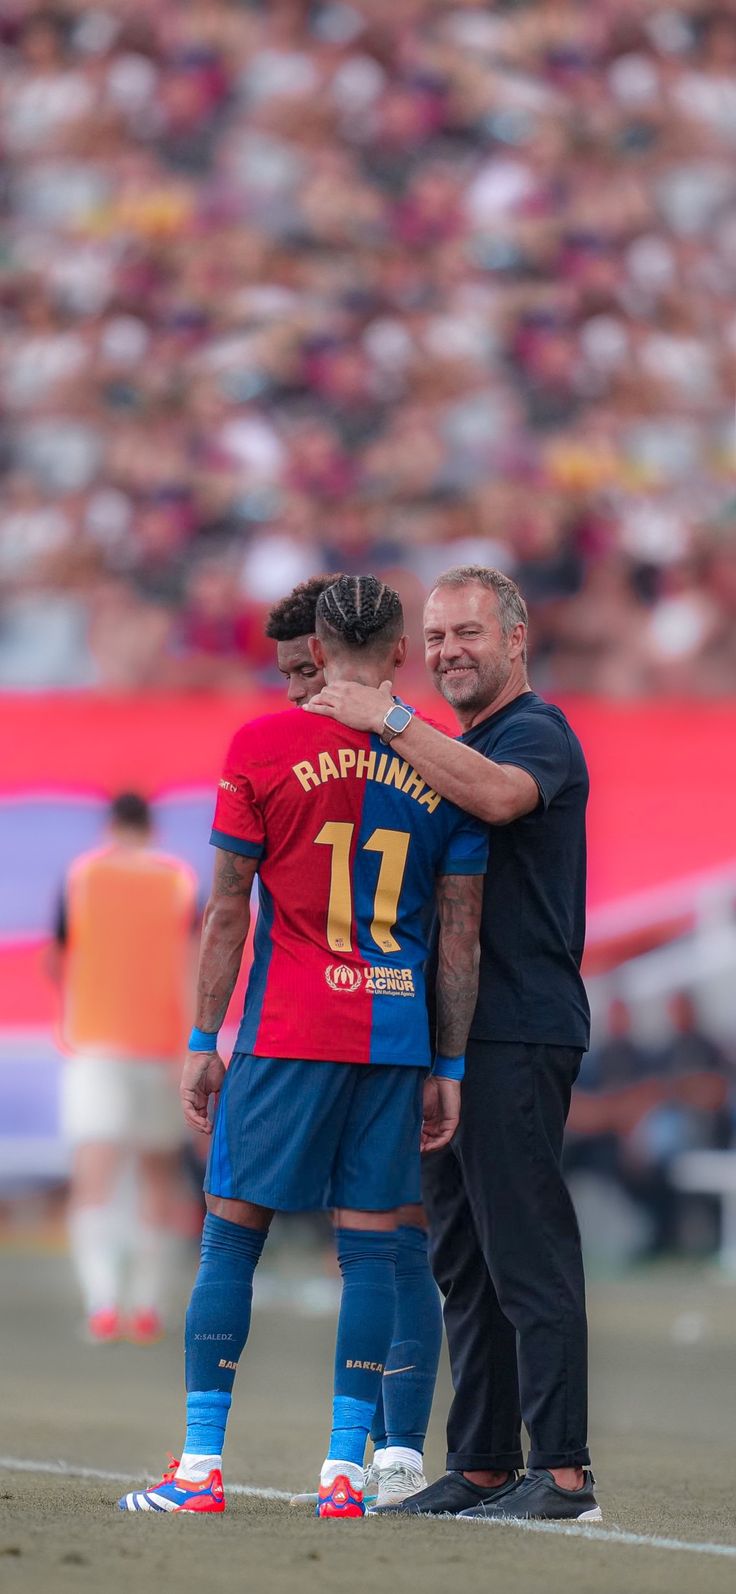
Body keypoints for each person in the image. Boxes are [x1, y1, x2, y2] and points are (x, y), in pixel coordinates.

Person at [118, 574, 487, 1518]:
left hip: (287, 1033)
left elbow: (228, 908)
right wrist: (446, 1065)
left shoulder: (261, 746)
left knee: (231, 1242)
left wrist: (204, 1036)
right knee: (372, 1255)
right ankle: (344, 1474)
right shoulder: (444, 766)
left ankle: (200, 1469)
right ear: (401, 652)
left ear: (317, 653)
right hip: (395, 1038)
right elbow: (459, 933)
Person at [306, 565, 601, 1523]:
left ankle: (562, 1475)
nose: (448, 653)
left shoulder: (535, 734)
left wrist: (388, 720)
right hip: (457, 1040)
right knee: (464, 1264)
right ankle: (480, 1464)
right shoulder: (458, 742)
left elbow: (504, 798)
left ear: (518, 639)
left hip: (518, 1026)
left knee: (526, 1252)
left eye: (468, 633)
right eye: (434, 639)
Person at [266, 574, 444, 1509]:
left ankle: (396, 1447)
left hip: (376, 1023)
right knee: (375, 1243)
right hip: (352, 1024)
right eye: (288, 675)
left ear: (338, 657)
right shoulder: (305, 754)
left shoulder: (404, 757)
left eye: (308, 668)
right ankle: (376, 1446)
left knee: (392, 1240)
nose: (299, 690)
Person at [49, 793, 197, 1344]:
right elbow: (194, 964)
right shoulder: (178, 881)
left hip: (95, 1043)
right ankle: (147, 1306)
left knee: (94, 1168)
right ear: (151, 827)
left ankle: (102, 1303)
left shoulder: (83, 876)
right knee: (159, 1174)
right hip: (161, 1045)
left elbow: (58, 956)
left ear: (111, 825)